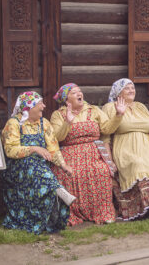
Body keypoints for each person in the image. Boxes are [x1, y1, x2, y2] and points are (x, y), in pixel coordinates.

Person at [50, 83, 126, 226]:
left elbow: (107, 129)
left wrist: (118, 115)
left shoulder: (94, 110)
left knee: (101, 170)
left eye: (80, 91)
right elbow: (57, 138)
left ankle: (102, 212)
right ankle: (71, 213)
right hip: (69, 153)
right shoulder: (58, 115)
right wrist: (67, 122)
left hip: (93, 152)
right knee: (69, 174)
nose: (79, 94)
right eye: (74, 93)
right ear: (66, 100)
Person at [1, 91, 75, 234]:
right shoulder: (14, 123)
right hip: (18, 167)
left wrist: (63, 165)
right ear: (28, 108)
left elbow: (53, 148)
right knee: (32, 166)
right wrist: (33, 149)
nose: (44, 106)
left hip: (40, 167)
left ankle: (54, 197)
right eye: (40, 103)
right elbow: (10, 150)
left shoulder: (44, 123)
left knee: (38, 170)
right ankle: (58, 189)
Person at [101, 78, 149, 220]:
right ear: (118, 92)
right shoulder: (109, 107)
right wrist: (110, 161)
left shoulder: (141, 106)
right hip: (126, 149)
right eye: (127, 88)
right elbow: (106, 136)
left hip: (148, 147)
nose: (131, 90)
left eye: (132, 88)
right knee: (138, 163)